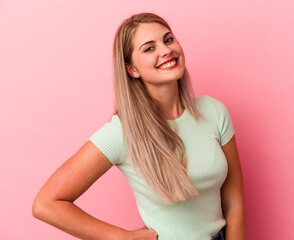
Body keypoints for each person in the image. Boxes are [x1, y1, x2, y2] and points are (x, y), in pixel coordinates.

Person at [32, 12, 245, 240]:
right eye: (149, 48)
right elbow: (46, 204)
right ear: (132, 70)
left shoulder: (214, 111)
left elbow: (234, 205)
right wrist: (122, 237)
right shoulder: (122, 133)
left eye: (168, 39)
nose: (166, 51)